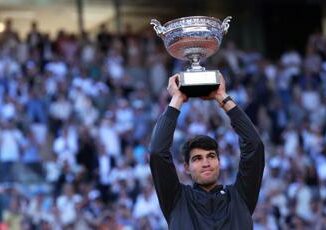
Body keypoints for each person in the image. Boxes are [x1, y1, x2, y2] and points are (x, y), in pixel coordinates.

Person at [149, 73, 265, 229]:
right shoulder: (177, 200)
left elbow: (254, 145)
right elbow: (157, 152)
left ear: (219, 161)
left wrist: (222, 97)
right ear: (187, 168)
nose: (206, 163)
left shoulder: (240, 197)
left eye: (211, 156)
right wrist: (177, 99)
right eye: (197, 158)